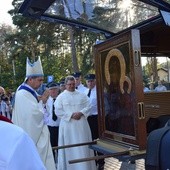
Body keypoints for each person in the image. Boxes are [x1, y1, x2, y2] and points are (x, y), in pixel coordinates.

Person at [12, 57, 56, 170]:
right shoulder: (23, 94)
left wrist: (40, 100)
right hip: (32, 138)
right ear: (30, 79)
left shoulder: (28, 92)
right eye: (39, 80)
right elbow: (33, 116)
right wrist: (44, 101)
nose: (41, 83)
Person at [54, 75, 96, 170]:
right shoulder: (61, 97)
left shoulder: (82, 95)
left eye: (73, 84)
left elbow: (89, 106)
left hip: (82, 126)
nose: (72, 86)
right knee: (70, 149)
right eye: (69, 84)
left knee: (83, 148)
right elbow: (58, 111)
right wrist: (71, 115)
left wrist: (81, 113)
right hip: (68, 127)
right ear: (65, 85)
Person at [84, 73, 105, 170]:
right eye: (88, 81)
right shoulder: (85, 92)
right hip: (88, 118)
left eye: (92, 81)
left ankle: (101, 161)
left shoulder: (99, 91)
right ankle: (94, 160)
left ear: (95, 81)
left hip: (97, 118)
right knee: (90, 139)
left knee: (98, 141)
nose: (90, 83)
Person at [44, 81, 61, 160]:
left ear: (58, 90)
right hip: (50, 126)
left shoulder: (61, 99)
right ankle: (53, 164)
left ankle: (61, 163)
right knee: (51, 146)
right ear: (48, 91)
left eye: (55, 89)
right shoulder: (46, 101)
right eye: (51, 89)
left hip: (60, 126)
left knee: (60, 146)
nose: (53, 91)